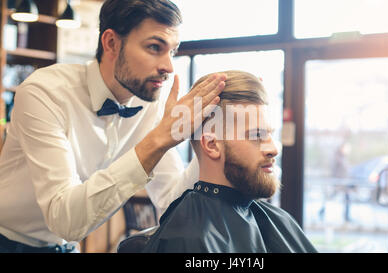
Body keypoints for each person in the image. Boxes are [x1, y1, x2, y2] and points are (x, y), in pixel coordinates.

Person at [0, 0, 226, 253]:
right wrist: (159, 139)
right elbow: (65, 220)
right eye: (154, 47)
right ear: (111, 43)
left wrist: (206, 146)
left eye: (172, 51)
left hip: (67, 248)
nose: (168, 67)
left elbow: (170, 200)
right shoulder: (44, 92)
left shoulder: (153, 105)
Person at [141, 71, 317, 253]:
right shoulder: (189, 240)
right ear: (212, 145)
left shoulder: (279, 219)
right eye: (257, 135)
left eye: (270, 134)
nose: (274, 149)